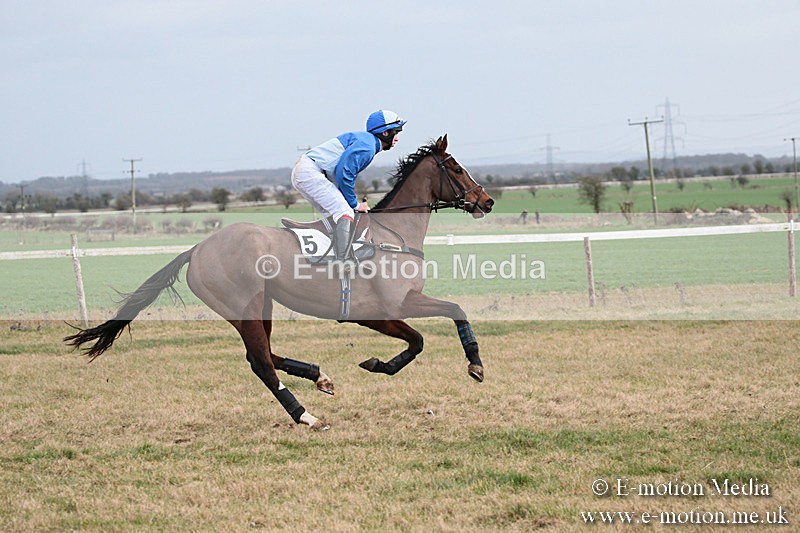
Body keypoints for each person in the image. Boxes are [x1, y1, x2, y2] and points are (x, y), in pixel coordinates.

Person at [291, 110, 406, 261]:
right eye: (396, 132)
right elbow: (344, 175)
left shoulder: (367, 142)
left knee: (336, 216)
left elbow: (342, 177)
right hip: (311, 172)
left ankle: (331, 256)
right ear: (385, 133)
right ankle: (343, 261)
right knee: (345, 212)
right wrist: (355, 204)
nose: (397, 138)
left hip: (307, 172)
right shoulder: (368, 147)